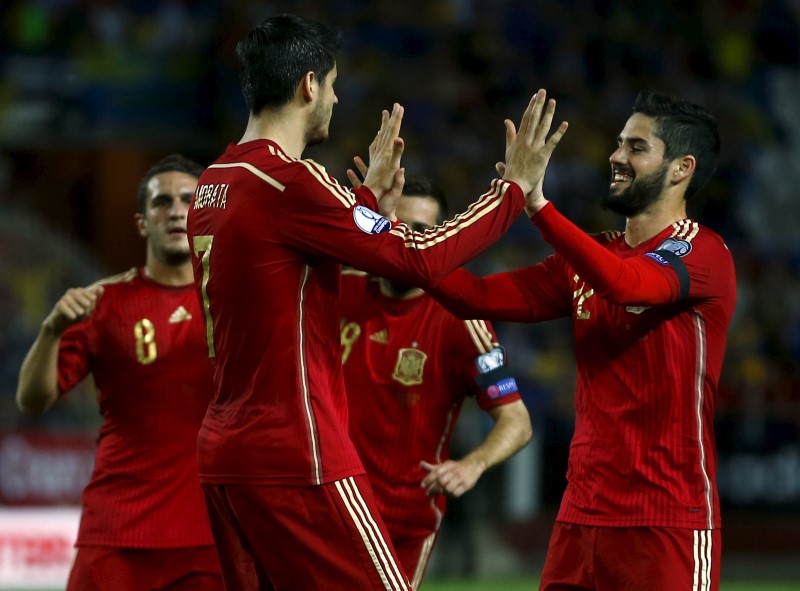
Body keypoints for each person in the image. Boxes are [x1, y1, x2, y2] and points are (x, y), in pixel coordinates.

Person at [186, 13, 566, 591]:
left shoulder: (216, 182)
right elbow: (415, 258)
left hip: (225, 453)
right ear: (309, 85)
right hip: (297, 450)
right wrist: (511, 191)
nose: (336, 100)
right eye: (334, 86)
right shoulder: (290, 181)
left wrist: (362, 203)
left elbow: (284, 263)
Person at [430, 92, 736, 591]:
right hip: (581, 517)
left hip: (667, 522)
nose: (616, 157)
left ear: (682, 168)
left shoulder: (704, 253)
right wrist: (389, 240)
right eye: (619, 144)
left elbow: (626, 285)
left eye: (637, 147)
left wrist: (536, 206)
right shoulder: (594, 255)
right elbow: (476, 295)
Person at [16, 154, 224, 591]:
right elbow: (32, 400)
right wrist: (51, 331)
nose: (175, 210)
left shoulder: (232, 307)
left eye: (189, 200)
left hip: (210, 536)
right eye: (161, 202)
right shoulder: (102, 302)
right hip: (117, 531)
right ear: (142, 222)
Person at [339, 174, 533, 587]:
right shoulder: (337, 288)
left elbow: (516, 419)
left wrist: (471, 464)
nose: (408, 241)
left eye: (422, 233)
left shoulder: (462, 319)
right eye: (397, 225)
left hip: (399, 524)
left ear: (442, 241)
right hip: (322, 511)